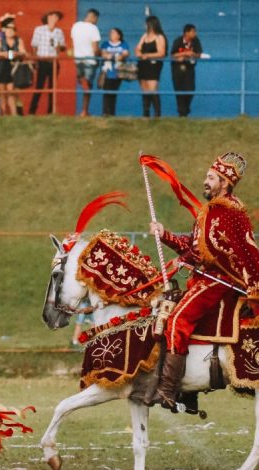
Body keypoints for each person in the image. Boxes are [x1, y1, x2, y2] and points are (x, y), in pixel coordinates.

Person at [148, 153, 259, 409]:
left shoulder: (225, 212)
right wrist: (165, 234)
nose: (205, 181)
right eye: (207, 176)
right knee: (170, 309)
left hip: (218, 282)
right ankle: (190, 390)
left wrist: (189, 257)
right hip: (204, 279)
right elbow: (194, 245)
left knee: (177, 320)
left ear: (224, 182)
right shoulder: (211, 210)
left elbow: (211, 253)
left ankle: (168, 391)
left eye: (211, 178)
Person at [29, 10, 65, 115]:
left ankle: (51, 112)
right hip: (42, 60)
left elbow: (62, 47)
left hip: (53, 61)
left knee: (52, 87)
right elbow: (34, 45)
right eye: (53, 16)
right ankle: (32, 111)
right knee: (39, 86)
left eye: (57, 17)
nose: (55, 19)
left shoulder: (59, 32)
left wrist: (60, 47)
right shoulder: (39, 30)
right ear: (48, 17)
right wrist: (35, 60)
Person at [0, 18, 27, 117]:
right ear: (5, 30)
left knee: (11, 92)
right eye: (8, 29)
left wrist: (17, 54)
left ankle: (13, 114)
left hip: (13, 69)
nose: (10, 31)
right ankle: (3, 114)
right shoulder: (0, 40)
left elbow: (23, 51)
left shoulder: (18, 40)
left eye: (12, 29)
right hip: (1, 67)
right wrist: (5, 54)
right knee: (2, 93)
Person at [70, 8, 100, 117]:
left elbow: (74, 42)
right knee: (88, 87)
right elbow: (95, 48)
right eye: (97, 19)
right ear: (94, 17)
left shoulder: (75, 26)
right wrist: (100, 56)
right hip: (89, 60)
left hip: (78, 59)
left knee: (84, 84)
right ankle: (84, 111)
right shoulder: (93, 28)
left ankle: (82, 80)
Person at [135, 15, 167, 117]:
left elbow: (161, 52)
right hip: (143, 65)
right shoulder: (144, 36)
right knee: (144, 88)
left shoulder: (159, 37)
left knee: (152, 88)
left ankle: (157, 113)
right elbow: (137, 48)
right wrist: (139, 53)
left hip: (153, 65)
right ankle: (146, 113)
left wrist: (147, 55)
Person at [171, 24, 202, 117]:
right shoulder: (178, 41)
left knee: (190, 90)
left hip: (190, 69)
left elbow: (199, 54)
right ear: (186, 33)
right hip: (178, 69)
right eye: (193, 32)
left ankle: (186, 109)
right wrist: (184, 54)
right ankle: (182, 113)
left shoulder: (196, 41)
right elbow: (173, 55)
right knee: (179, 91)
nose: (195, 34)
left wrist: (192, 54)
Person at [99, 27, 129, 116]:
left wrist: (113, 56)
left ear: (118, 35)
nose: (111, 34)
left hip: (118, 72)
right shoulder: (105, 44)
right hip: (107, 71)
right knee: (106, 92)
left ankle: (112, 113)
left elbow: (125, 54)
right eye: (110, 32)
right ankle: (105, 112)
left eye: (113, 33)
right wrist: (114, 56)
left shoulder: (123, 44)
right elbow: (104, 54)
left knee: (113, 93)